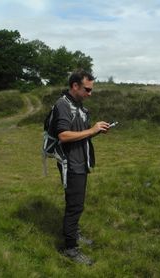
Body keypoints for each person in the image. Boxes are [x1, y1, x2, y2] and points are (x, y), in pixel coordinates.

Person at [53, 70, 110, 265]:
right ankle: (70, 248)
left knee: (77, 203)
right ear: (75, 86)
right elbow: (63, 136)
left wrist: (96, 131)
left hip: (81, 161)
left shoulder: (79, 106)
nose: (90, 93)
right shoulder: (63, 105)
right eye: (87, 89)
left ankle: (74, 235)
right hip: (71, 163)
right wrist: (92, 129)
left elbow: (80, 133)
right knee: (74, 205)